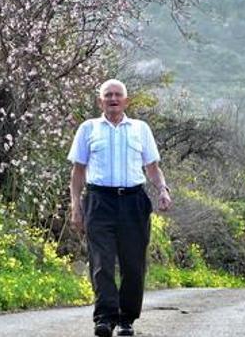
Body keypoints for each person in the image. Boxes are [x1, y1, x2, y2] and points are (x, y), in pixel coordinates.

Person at [67, 79, 172, 337]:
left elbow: (152, 167)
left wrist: (163, 190)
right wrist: (75, 206)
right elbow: (78, 171)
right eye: (108, 95)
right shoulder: (88, 129)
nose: (113, 99)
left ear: (126, 101)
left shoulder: (140, 129)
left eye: (118, 95)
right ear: (100, 101)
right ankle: (104, 318)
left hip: (133, 201)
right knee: (101, 262)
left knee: (133, 265)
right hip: (99, 201)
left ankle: (126, 320)